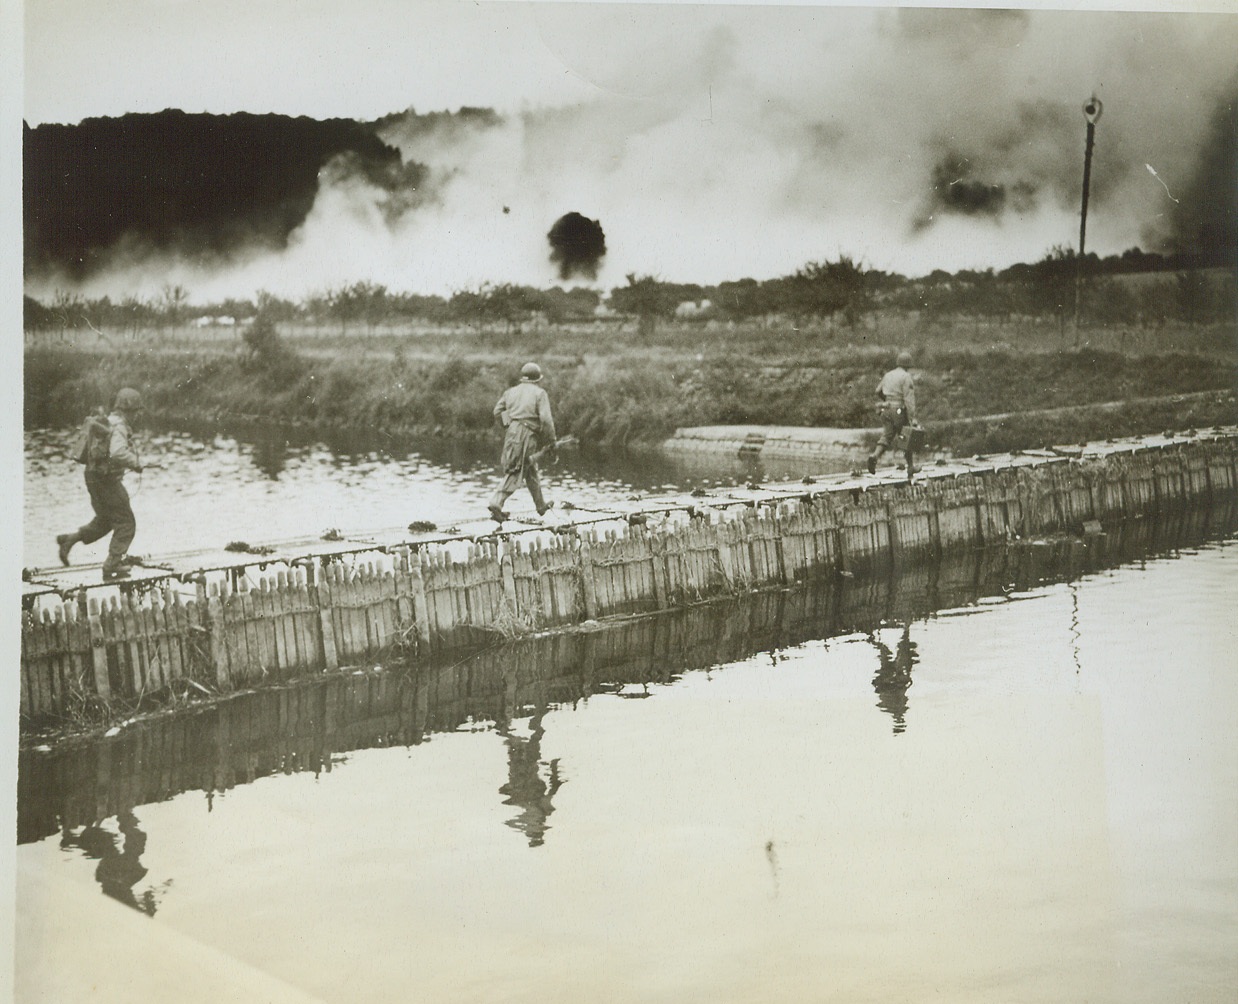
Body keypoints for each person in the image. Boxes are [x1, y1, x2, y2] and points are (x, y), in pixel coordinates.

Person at [56, 387, 145, 580]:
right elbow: (118, 452)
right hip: (107, 481)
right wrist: (136, 463)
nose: (138, 415)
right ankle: (112, 564)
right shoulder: (119, 426)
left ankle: (70, 540)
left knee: (106, 520)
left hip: (92, 477)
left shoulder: (107, 422)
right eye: (137, 410)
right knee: (126, 523)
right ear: (128, 410)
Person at [489, 362, 557, 521]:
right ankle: (496, 502)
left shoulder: (510, 392)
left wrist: (509, 425)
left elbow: (497, 411)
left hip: (512, 432)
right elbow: (546, 420)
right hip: (527, 434)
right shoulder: (540, 394)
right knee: (517, 468)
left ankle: (540, 505)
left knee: (529, 467)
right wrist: (551, 440)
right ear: (537, 379)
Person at [867, 350, 917, 476]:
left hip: (886, 408)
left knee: (887, 435)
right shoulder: (906, 377)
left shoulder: (888, 375)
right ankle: (910, 467)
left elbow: (877, 390)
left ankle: (875, 456)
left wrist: (887, 400)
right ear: (908, 365)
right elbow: (908, 399)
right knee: (906, 437)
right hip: (899, 410)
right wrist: (912, 417)